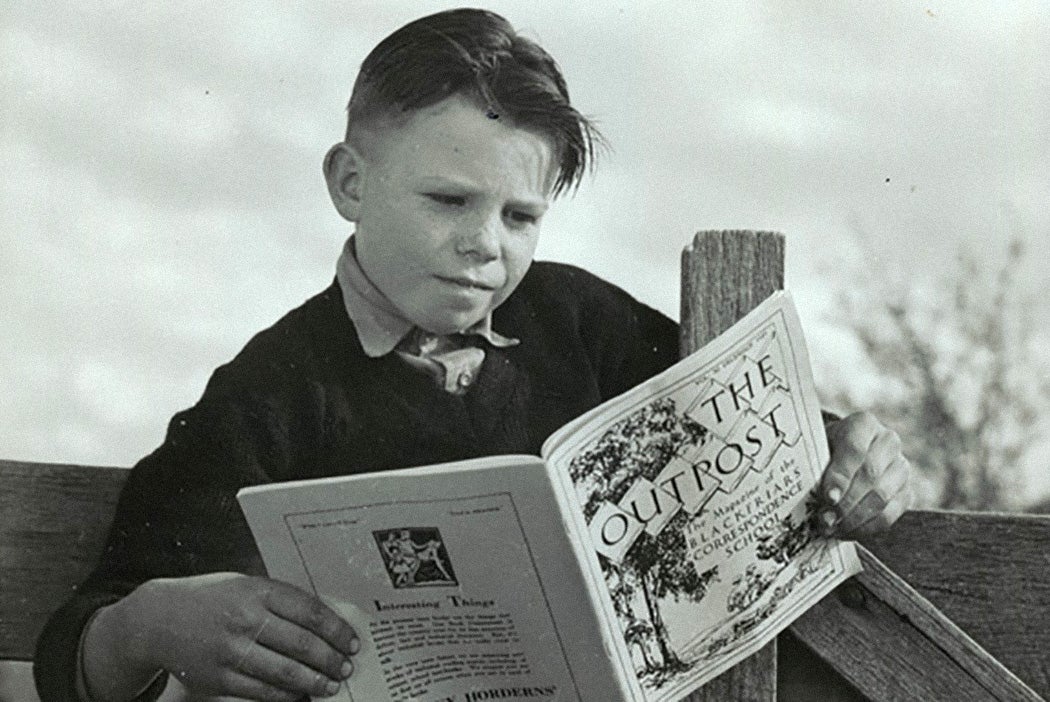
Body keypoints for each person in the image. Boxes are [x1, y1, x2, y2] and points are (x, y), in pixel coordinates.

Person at [34, 8, 912, 702]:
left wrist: (846, 452)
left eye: (518, 216)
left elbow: (747, 431)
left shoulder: (580, 319)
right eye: (448, 199)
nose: (484, 246)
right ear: (350, 182)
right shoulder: (273, 389)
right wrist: (147, 628)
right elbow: (80, 640)